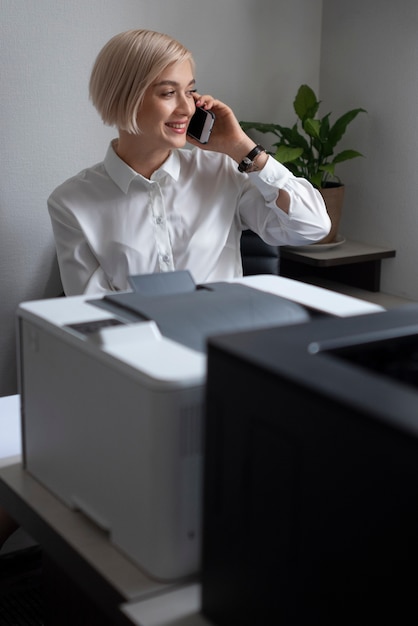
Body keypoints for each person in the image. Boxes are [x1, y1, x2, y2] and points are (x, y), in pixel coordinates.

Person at [48, 29, 330, 296]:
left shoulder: (223, 170)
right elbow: (92, 315)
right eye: (169, 93)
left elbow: (312, 227)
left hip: (223, 341)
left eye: (190, 91)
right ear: (123, 98)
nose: (187, 108)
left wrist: (243, 148)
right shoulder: (71, 202)